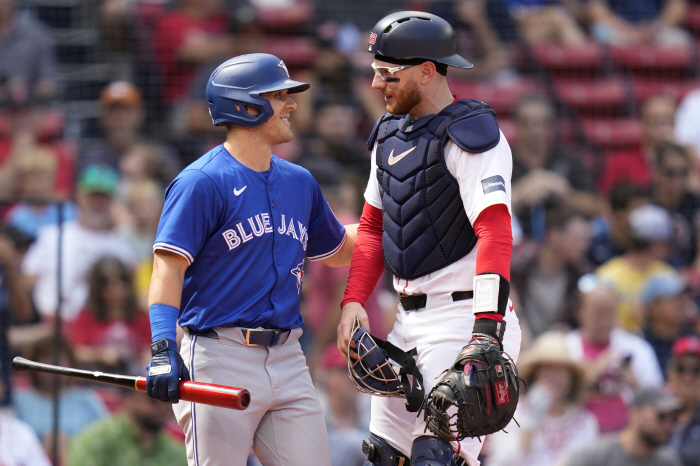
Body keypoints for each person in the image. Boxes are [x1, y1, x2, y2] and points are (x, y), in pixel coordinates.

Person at [145, 53, 356, 466]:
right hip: (219, 354)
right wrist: (162, 345)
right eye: (278, 95)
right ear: (244, 105)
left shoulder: (300, 181)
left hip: (289, 356)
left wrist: (396, 220)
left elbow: (338, 251)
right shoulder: (201, 182)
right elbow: (168, 266)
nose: (291, 104)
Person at [337, 11, 522, 466]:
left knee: (437, 459)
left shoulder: (472, 134)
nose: (377, 84)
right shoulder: (386, 136)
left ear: (426, 71)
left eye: (387, 73)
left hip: (464, 320)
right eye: (375, 71)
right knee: (385, 457)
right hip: (406, 324)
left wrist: (485, 331)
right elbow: (373, 228)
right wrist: (354, 299)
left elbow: (495, 231)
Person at [21, 164, 137, 322]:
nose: (97, 203)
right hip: (52, 324)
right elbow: (27, 281)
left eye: (104, 197)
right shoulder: (51, 235)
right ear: (79, 196)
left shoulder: (122, 249)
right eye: (92, 196)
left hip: (99, 330)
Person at [565, 275, 664, 433]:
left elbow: (658, 400)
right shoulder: (565, 348)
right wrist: (592, 373)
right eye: (597, 314)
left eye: (609, 313)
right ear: (580, 312)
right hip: (577, 434)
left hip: (626, 435)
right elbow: (557, 402)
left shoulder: (636, 348)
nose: (604, 322)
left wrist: (634, 382)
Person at [485, 331, 599, 466]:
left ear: (571, 379)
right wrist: (530, 421)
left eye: (560, 372)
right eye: (547, 371)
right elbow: (502, 461)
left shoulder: (585, 422)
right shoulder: (510, 413)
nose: (554, 379)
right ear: (535, 376)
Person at [596, 203, 676, 332]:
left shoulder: (667, 274)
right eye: (665, 242)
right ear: (652, 243)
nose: (668, 248)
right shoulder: (608, 275)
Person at [67, 256, 151, 373]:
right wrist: (101, 355)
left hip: (133, 378)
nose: (116, 288)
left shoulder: (140, 317)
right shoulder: (87, 316)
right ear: (97, 287)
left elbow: (151, 349)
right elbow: (76, 352)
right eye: (107, 282)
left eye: (122, 280)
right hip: (98, 379)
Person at [66, 386, 187, 466]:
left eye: (168, 400)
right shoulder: (94, 441)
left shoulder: (177, 452)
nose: (163, 406)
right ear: (128, 398)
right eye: (152, 399)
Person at [563, 386, 683, 466]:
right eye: (661, 416)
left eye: (673, 418)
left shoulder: (667, 461)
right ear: (634, 415)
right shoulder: (598, 456)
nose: (668, 425)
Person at [666, 335, 700, 466]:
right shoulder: (656, 412)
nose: (688, 377)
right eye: (681, 369)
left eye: (696, 370)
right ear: (670, 373)